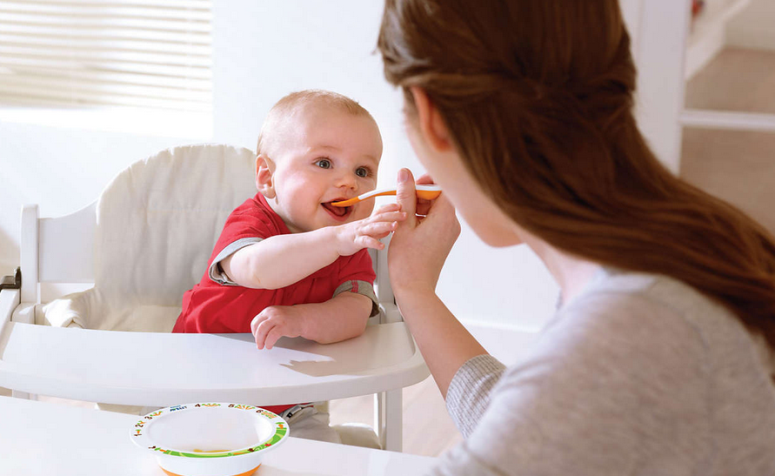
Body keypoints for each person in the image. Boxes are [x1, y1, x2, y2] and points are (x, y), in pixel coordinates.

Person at [378, 1, 775, 474]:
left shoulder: (635, 330)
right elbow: (545, 432)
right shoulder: (694, 242)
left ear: (430, 113)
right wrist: (413, 287)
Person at [173, 90, 406, 444]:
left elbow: (355, 313)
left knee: (320, 454)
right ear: (267, 177)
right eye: (324, 163)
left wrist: (301, 320)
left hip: (288, 407)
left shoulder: (349, 247)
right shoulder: (253, 222)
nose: (348, 182)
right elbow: (257, 268)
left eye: (363, 170)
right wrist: (336, 241)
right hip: (194, 390)